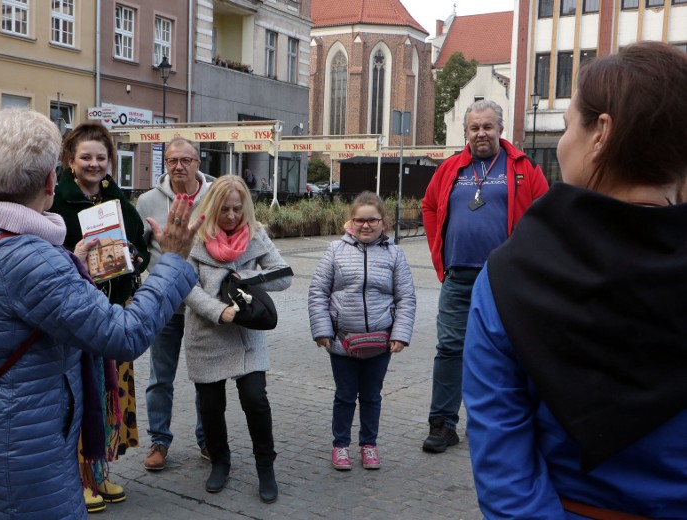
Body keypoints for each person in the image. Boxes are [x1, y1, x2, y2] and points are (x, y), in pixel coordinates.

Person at [0, 108, 202, 519]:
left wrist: (69, 263)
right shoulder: (28, 257)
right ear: (50, 180)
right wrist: (174, 261)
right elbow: (124, 335)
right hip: (24, 453)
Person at [463, 41, 687, 519]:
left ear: (600, 132)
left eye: (567, 127)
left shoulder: (509, 279)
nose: (562, 143)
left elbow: (506, 472)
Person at [421, 99, 548, 454]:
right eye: (475, 128)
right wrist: (439, 253)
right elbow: (429, 206)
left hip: (506, 279)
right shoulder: (450, 169)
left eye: (487, 127)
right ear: (466, 132)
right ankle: (442, 424)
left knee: (511, 351)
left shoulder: (523, 167)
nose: (481, 133)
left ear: (500, 129)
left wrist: (530, 263)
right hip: (459, 277)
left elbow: (545, 214)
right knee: (449, 348)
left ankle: (509, 424)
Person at [49, 122, 151, 512]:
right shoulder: (57, 202)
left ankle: (101, 471)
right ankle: (79, 476)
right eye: (86, 157)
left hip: (114, 312)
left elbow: (139, 244)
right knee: (83, 393)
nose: (94, 164)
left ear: (110, 162)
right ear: (70, 161)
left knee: (112, 394)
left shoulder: (121, 204)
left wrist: (135, 256)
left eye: (101, 157)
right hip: (76, 315)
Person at [183, 175, 292, 502]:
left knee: (255, 399)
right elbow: (185, 287)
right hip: (206, 334)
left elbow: (283, 276)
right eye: (224, 210)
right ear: (212, 208)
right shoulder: (195, 238)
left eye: (236, 209)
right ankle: (220, 461)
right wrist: (218, 310)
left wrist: (245, 280)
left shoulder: (256, 235)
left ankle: (265, 467)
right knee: (211, 405)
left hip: (246, 336)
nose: (231, 216)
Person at [308, 191, 416, 471]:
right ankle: (340, 446)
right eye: (360, 220)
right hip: (342, 340)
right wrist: (322, 330)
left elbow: (406, 297)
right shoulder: (335, 250)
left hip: (380, 342)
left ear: (384, 222)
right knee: (344, 395)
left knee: (371, 396)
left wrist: (400, 334)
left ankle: (369, 445)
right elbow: (318, 292)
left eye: (372, 220)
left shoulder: (395, 254)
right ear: (351, 221)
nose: (366, 225)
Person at [135, 137, 211, 470]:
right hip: (164, 304)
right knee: (159, 378)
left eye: (185, 160)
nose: (178, 166)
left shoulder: (214, 196)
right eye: (171, 161)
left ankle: (207, 439)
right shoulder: (149, 201)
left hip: (204, 304)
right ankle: (159, 441)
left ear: (198, 162)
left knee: (205, 377)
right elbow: (137, 248)